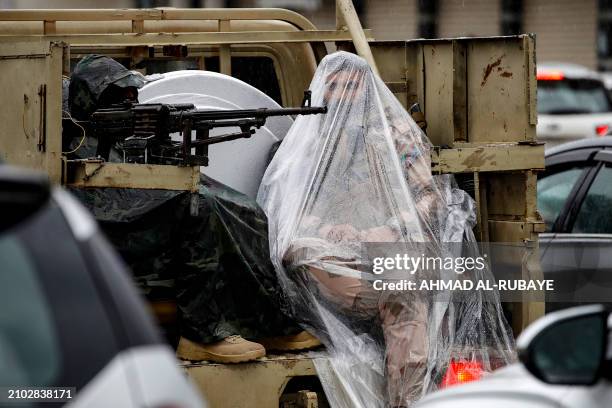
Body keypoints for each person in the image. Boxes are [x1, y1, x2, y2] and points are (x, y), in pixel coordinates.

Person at [258, 51, 515, 407]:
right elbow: (284, 210)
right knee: (299, 250)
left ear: (366, 89)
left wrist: (388, 230)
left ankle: (408, 402)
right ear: (321, 91)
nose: (343, 95)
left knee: (403, 291)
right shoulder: (304, 144)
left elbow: (430, 196)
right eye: (334, 86)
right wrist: (331, 229)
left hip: (390, 255)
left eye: (351, 86)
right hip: (334, 261)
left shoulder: (394, 137)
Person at [64, 55, 321, 363]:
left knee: (244, 209)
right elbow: (99, 198)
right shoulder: (74, 139)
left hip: (137, 213)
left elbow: (138, 173)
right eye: (119, 96)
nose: (130, 102)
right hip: (109, 230)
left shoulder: (115, 131)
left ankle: (266, 323)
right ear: (91, 97)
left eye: (132, 95)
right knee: (199, 207)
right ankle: (201, 332)